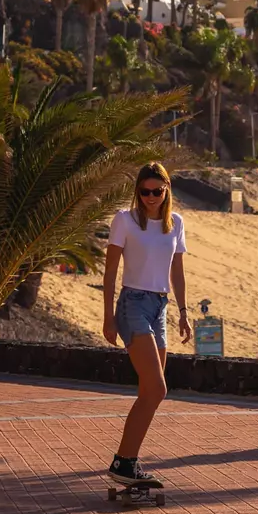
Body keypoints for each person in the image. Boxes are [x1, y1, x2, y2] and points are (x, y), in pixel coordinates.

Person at [103, 162, 191, 486]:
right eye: (144, 192)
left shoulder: (175, 224)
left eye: (157, 191)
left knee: (150, 393)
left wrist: (183, 311)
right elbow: (110, 272)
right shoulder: (125, 221)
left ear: (167, 190)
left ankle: (127, 461)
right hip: (132, 305)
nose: (151, 197)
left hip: (161, 307)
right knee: (157, 387)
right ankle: (123, 462)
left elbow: (177, 271)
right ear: (137, 192)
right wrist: (108, 317)